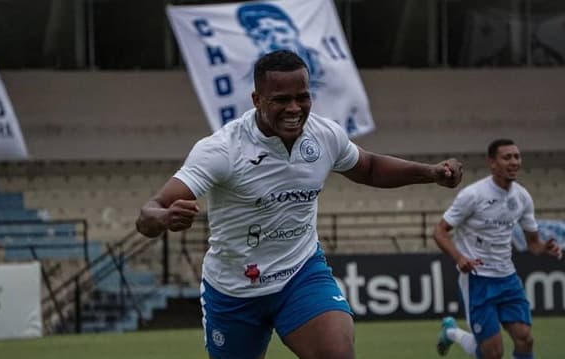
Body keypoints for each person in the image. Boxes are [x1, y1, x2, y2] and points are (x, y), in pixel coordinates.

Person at [136, 49, 462, 359]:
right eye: (281, 99)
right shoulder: (222, 150)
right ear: (257, 100)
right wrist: (164, 217)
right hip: (234, 289)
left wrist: (430, 173)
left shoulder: (324, 135)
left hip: (300, 275)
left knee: (337, 353)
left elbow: (370, 168)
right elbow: (148, 213)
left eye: (302, 97)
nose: (295, 108)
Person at [433, 139, 562, 359]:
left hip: (507, 277)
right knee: (492, 353)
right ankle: (451, 332)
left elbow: (533, 244)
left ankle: (452, 331)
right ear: (492, 163)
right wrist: (459, 257)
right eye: (507, 157)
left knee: (525, 339)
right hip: (478, 279)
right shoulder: (473, 195)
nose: (514, 162)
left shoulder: (522, 197)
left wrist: (545, 247)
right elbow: (439, 231)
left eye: (517, 157)